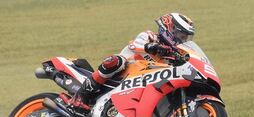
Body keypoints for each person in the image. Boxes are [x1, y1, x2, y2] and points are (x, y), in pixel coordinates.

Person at [67, 13, 195, 111]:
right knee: (116, 61)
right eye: (180, 35)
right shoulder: (150, 36)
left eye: (185, 38)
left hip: (141, 84)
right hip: (122, 74)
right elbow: (135, 45)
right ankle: (80, 96)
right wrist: (151, 47)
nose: (182, 40)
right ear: (169, 28)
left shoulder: (172, 55)